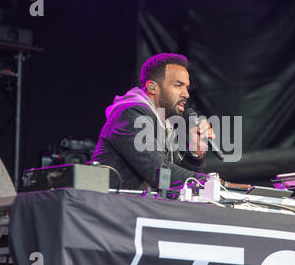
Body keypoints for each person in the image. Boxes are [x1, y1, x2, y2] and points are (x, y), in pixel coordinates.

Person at [91, 53, 215, 191]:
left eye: (186, 87)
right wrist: (211, 183)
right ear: (152, 87)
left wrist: (195, 153)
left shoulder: (165, 123)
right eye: (178, 85)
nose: (186, 94)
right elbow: (159, 172)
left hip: (138, 208)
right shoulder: (131, 114)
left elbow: (176, 182)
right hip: (110, 209)